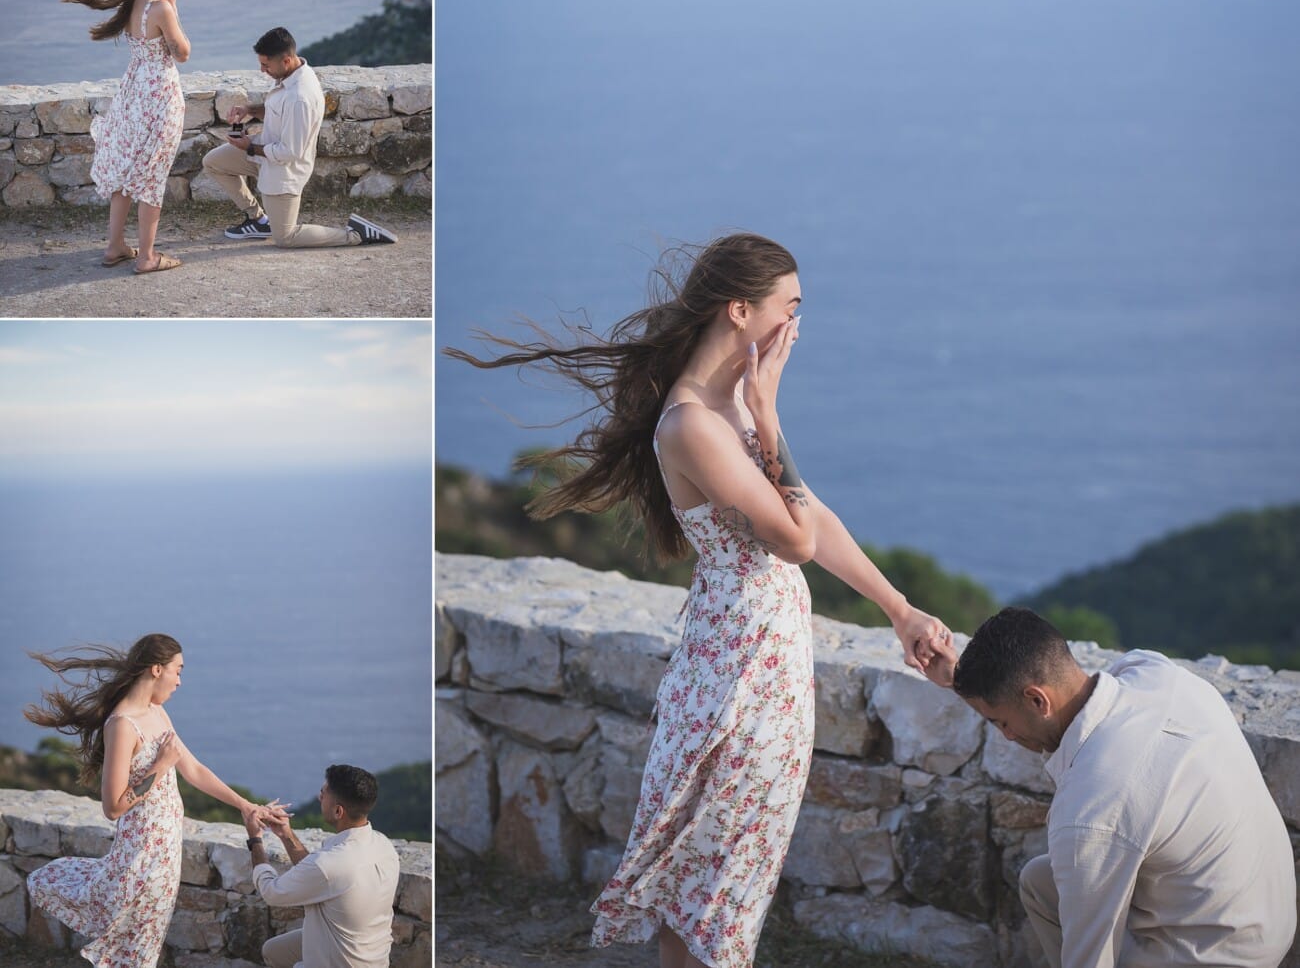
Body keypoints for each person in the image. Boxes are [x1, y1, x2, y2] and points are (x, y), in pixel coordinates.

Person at [446, 232, 958, 968]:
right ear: (741, 311)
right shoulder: (695, 422)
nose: (799, 325)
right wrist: (771, 416)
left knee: (722, 873)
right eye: (792, 308)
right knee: (714, 874)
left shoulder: (733, 407)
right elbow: (794, 540)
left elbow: (811, 513)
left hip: (763, 656)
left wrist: (898, 607)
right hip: (738, 671)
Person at [949, 607, 1297, 968]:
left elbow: (1089, 960)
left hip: (1220, 956)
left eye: (1002, 721)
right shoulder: (1153, 671)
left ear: (1038, 700)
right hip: (1267, 915)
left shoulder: (1090, 809)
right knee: (1041, 881)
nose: (1007, 736)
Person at [24, 633, 285, 968]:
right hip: (140, 855)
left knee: (145, 945)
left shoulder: (157, 712)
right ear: (157, 670)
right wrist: (159, 768)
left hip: (166, 852)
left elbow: (193, 769)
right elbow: (112, 806)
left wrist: (246, 806)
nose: (180, 680)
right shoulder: (122, 725)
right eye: (178, 670)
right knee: (137, 949)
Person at [201, 26, 398, 249]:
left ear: (285, 60)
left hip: (284, 169)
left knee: (286, 237)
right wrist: (250, 109)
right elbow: (279, 111)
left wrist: (249, 148)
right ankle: (258, 221)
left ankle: (355, 234)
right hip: (263, 152)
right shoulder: (292, 73)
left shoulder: (300, 98)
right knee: (213, 162)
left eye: (266, 65)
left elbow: (290, 152)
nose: (262, 70)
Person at [61, 0, 190, 274]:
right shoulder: (160, 8)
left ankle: (115, 246)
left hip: (133, 96)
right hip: (159, 98)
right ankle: (147, 256)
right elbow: (182, 52)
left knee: (127, 170)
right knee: (151, 175)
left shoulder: (135, 0)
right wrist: (173, 6)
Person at [245, 763, 400, 968]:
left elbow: (270, 892)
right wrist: (286, 835)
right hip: (371, 956)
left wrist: (255, 838)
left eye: (323, 793)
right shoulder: (383, 844)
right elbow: (319, 874)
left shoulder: (330, 863)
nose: (319, 797)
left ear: (338, 811)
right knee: (273, 951)